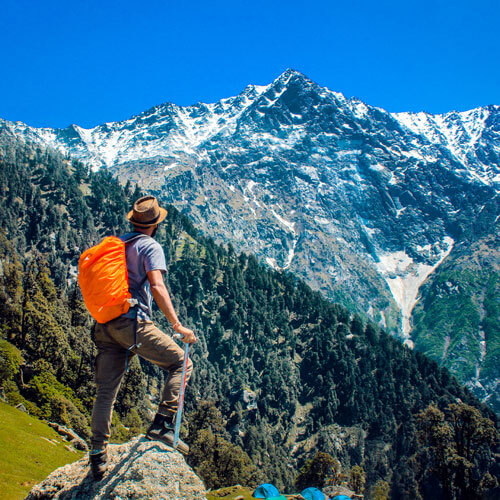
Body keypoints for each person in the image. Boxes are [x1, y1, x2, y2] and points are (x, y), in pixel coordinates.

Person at [89, 195, 196, 480]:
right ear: (155, 224)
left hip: (105, 324)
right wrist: (177, 325)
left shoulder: (119, 244)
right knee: (181, 363)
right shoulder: (150, 245)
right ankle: (162, 425)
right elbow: (157, 286)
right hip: (132, 323)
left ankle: (97, 455)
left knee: (106, 392)